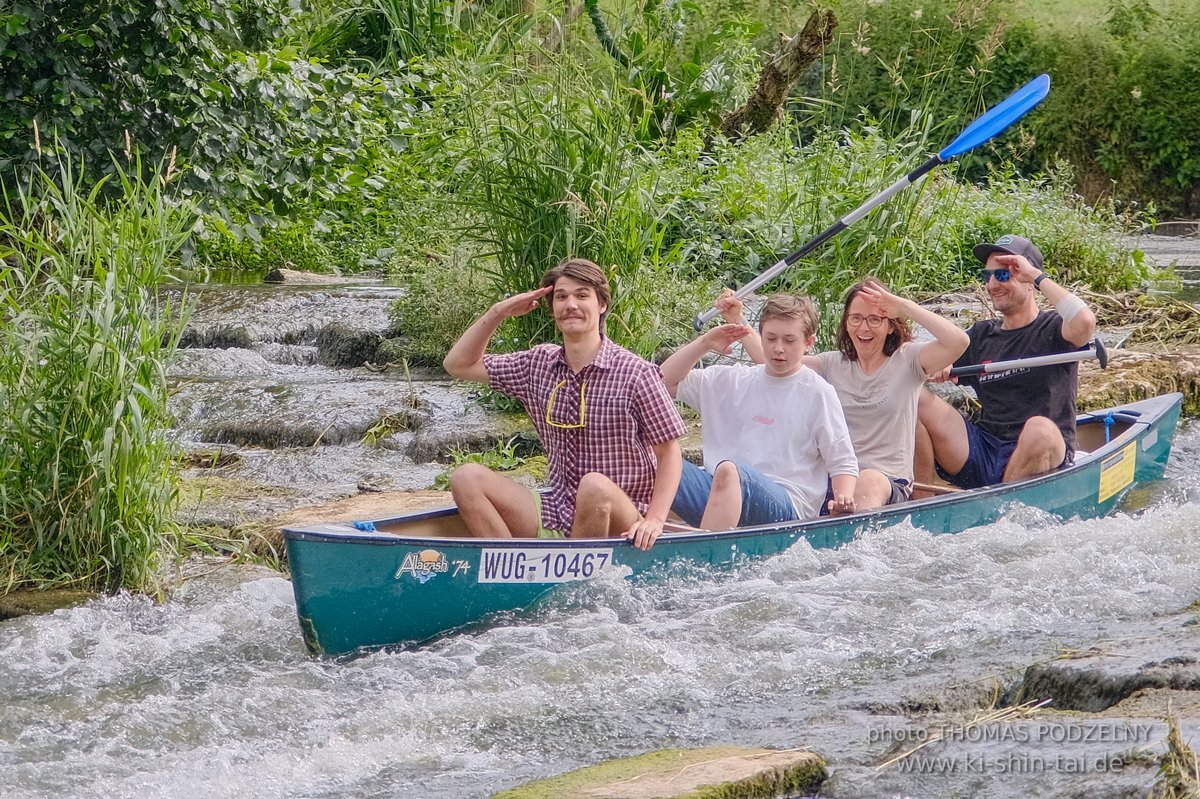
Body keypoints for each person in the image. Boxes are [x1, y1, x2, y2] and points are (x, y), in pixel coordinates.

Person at [442, 258, 685, 550]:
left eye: (582, 295)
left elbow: (669, 452)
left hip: (624, 515)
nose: (571, 304)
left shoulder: (636, 373)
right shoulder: (537, 364)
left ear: (602, 305)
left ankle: (574, 578)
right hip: (556, 509)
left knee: (594, 485)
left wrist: (655, 520)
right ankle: (509, 564)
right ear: (553, 307)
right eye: (561, 296)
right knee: (466, 477)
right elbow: (457, 365)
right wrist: (498, 312)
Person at [718, 279, 969, 509]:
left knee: (868, 480)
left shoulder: (910, 359)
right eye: (856, 318)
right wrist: (737, 319)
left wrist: (902, 305)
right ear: (846, 323)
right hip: (834, 481)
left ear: (891, 326)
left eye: (875, 319)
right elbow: (772, 359)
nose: (864, 328)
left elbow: (958, 342)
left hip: (885, 482)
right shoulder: (830, 364)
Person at [659, 293, 859, 530]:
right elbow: (661, 382)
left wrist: (843, 499)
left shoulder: (818, 392)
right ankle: (640, 538)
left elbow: (842, 461)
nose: (778, 349)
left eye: (789, 340)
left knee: (731, 471)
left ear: (808, 343)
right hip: (720, 490)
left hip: (788, 507)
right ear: (760, 335)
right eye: (771, 338)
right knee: (652, 458)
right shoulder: (731, 379)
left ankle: (707, 556)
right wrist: (703, 344)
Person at [914, 234, 1098, 489]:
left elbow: (1085, 323)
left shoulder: (1055, 328)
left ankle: (996, 504)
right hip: (985, 449)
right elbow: (917, 363)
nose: (991, 285)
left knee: (1039, 430)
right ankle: (920, 502)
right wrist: (940, 364)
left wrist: (1037, 275)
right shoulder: (980, 335)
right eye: (986, 276)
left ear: (1029, 280)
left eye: (1002, 275)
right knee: (915, 397)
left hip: (1042, 450)